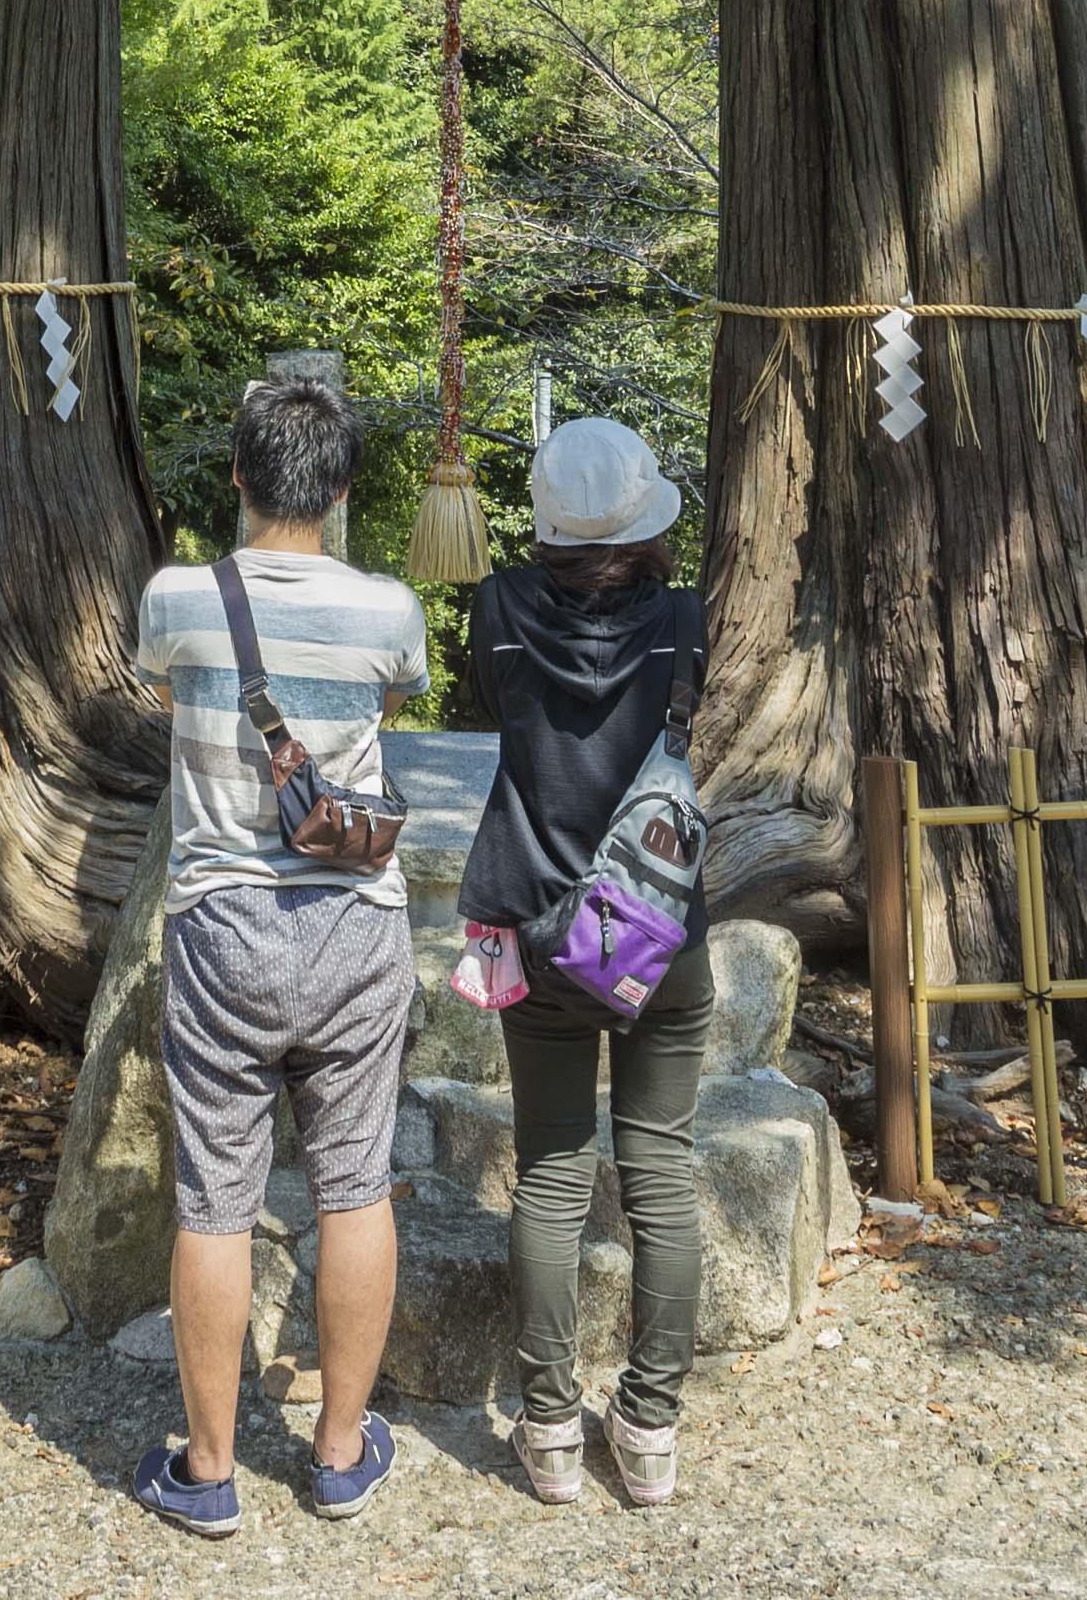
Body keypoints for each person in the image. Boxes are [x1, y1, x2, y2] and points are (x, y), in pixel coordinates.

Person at [128, 374, 428, 1538]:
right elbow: (387, 707)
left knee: (215, 1199)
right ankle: (341, 1452)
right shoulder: (391, 611)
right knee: (354, 1182)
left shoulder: (176, 598)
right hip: (355, 924)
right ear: (341, 489)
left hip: (224, 924)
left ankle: (207, 1473)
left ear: (239, 478)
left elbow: (164, 685)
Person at [459, 417, 712, 1512]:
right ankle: (648, 1430)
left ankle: (551, 1425)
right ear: (648, 517)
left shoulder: (495, 615)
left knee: (553, 1173)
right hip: (657, 934)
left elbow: (496, 717)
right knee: (659, 1172)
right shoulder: (685, 624)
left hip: (536, 929)